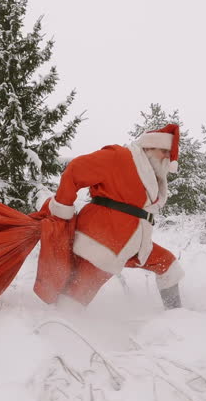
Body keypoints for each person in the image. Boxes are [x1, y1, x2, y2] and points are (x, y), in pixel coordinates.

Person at [45, 123, 185, 309]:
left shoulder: (149, 172)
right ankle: (54, 330)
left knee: (168, 266)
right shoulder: (119, 156)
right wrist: (63, 208)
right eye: (164, 151)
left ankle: (177, 317)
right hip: (102, 240)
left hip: (134, 242)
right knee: (76, 298)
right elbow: (76, 169)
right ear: (149, 146)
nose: (167, 157)